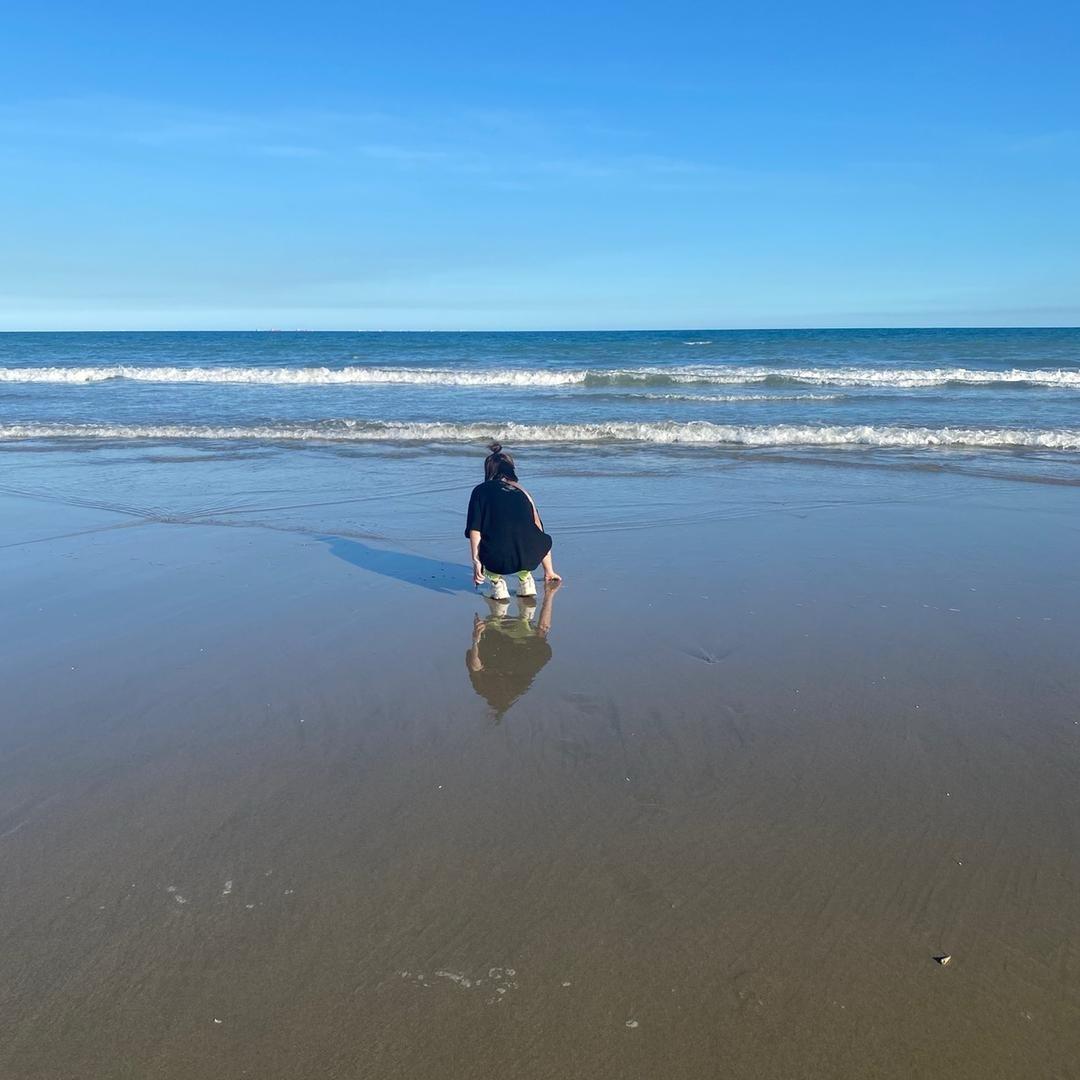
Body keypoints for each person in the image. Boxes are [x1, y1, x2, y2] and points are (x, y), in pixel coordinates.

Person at [465, 443, 561, 599]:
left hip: (498, 560)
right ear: (511, 469)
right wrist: (549, 571)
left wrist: (476, 561)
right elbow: (539, 530)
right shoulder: (522, 491)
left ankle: (497, 584)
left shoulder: (480, 491)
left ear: (488, 470)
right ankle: (525, 580)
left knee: (487, 541)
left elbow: (475, 530)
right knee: (533, 538)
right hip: (530, 558)